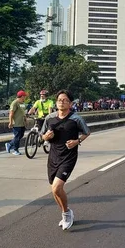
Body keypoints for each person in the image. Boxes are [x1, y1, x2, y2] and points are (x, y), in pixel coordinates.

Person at [41, 90, 90, 231]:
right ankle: (66, 212)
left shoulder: (76, 119)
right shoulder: (49, 118)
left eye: (65, 100)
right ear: (56, 102)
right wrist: (46, 137)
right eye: (59, 100)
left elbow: (87, 132)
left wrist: (77, 141)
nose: (61, 102)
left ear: (70, 103)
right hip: (53, 157)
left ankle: (66, 214)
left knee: (57, 187)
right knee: (54, 190)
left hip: (69, 157)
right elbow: (42, 135)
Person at [5, 90, 28, 156]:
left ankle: (10, 144)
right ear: (22, 96)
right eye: (24, 96)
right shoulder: (14, 103)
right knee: (17, 136)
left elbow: (23, 113)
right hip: (16, 123)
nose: (25, 98)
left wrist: (26, 120)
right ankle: (15, 150)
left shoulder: (22, 104)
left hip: (22, 123)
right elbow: (11, 113)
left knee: (21, 135)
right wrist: (10, 122)